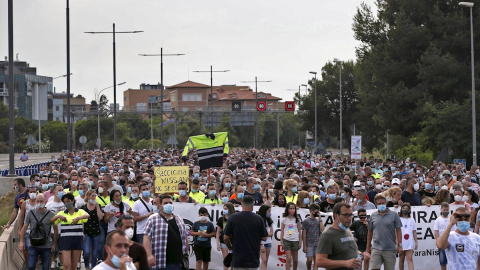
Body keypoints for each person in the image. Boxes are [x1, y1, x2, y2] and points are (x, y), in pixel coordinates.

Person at [316, 202, 369, 269]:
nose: (349, 218)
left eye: (350, 215)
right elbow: (319, 261)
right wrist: (345, 263)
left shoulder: (347, 231)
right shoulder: (327, 235)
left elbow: (350, 248)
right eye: (346, 215)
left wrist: (361, 254)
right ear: (336, 216)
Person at [144, 195, 189, 270]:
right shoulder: (153, 219)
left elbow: (185, 236)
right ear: (160, 206)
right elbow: (146, 238)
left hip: (178, 262)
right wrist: (149, 255)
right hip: (160, 261)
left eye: (170, 203)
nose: (168, 205)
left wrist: (186, 253)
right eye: (165, 203)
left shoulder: (179, 219)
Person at [224, 195, 267, 269]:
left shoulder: (232, 218)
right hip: (253, 258)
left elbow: (225, 238)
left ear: (241, 204)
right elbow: (264, 237)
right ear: (252, 205)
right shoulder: (259, 219)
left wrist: (230, 247)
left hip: (238, 258)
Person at [51, 193, 90, 270]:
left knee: (74, 266)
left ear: (72, 201)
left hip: (77, 240)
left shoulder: (79, 211)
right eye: (65, 202)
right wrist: (58, 216)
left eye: (68, 201)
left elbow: (87, 215)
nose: (66, 203)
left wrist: (78, 218)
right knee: (66, 265)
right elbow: (51, 220)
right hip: (65, 240)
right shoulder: (62, 213)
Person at [19, 194, 57, 270]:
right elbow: (24, 227)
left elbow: (55, 229)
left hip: (46, 244)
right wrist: (22, 242)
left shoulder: (51, 214)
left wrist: (54, 244)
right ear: (35, 202)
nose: (39, 203)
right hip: (33, 244)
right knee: (30, 266)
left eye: (41, 201)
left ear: (45, 201)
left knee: (45, 267)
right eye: (38, 201)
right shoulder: (30, 213)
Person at [366, 194, 403, 270]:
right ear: (376, 205)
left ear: (386, 203)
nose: (381, 205)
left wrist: (399, 245)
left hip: (390, 248)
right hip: (376, 248)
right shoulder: (373, 216)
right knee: (374, 268)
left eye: (383, 203)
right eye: (379, 204)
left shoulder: (394, 215)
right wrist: (368, 248)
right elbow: (370, 232)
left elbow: (399, 230)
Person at [81, 190, 104, 270]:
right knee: (86, 251)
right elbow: (82, 222)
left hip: (96, 231)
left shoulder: (98, 206)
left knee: (94, 252)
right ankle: (87, 266)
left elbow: (100, 218)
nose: (94, 197)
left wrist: (97, 207)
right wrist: (82, 232)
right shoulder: (83, 207)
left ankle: (93, 267)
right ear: (88, 196)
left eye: (95, 196)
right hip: (86, 231)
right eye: (92, 196)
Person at [434, 202, 456, 270]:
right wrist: (438, 241)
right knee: (442, 261)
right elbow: (436, 231)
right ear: (441, 209)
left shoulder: (451, 219)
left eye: (447, 210)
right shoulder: (438, 220)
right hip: (442, 242)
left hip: (450, 242)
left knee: (452, 260)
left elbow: (454, 231)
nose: (446, 211)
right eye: (444, 210)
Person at [280, 202, 302, 270]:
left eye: (293, 208)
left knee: (295, 260)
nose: (292, 210)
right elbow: (282, 231)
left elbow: (299, 231)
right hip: (287, 240)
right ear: (287, 209)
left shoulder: (297, 219)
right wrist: (281, 241)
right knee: (288, 259)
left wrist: (300, 242)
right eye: (290, 208)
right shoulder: (284, 219)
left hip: (295, 240)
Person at [302, 204, 324, 270]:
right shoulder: (306, 221)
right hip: (309, 244)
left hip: (317, 243)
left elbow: (322, 229)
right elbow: (304, 233)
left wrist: (320, 219)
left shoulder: (318, 220)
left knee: (316, 261)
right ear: (311, 211)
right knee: (309, 260)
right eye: (316, 212)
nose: (317, 213)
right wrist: (304, 245)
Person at [398, 203, 417, 270]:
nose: (405, 210)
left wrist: (416, 242)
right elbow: (396, 232)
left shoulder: (412, 220)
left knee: (410, 259)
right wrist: (397, 243)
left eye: (406, 209)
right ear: (401, 209)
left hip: (409, 242)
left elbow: (414, 232)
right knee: (401, 259)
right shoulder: (398, 219)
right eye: (403, 208)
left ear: (409, 210)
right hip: (401, 243)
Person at [216, 202, 235, 270]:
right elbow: (218, 232)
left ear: (230, 209)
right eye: (224, 209)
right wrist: (217, 244)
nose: (224, 210)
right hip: (223, 241)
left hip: (233, 242)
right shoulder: (221, 219)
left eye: (226, 208)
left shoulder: (234, 219)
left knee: (233, 261)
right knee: (226, 260)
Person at [258, 205, 274, 270]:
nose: (269, 213)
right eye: (268, 211)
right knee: (263, 260)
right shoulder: (260, 221)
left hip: (269, 242)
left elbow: (271, 233)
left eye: (270, 211)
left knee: (266, 260)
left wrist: (265, 234)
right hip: (262, 243)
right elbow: (259, 234)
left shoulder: (269, 221)